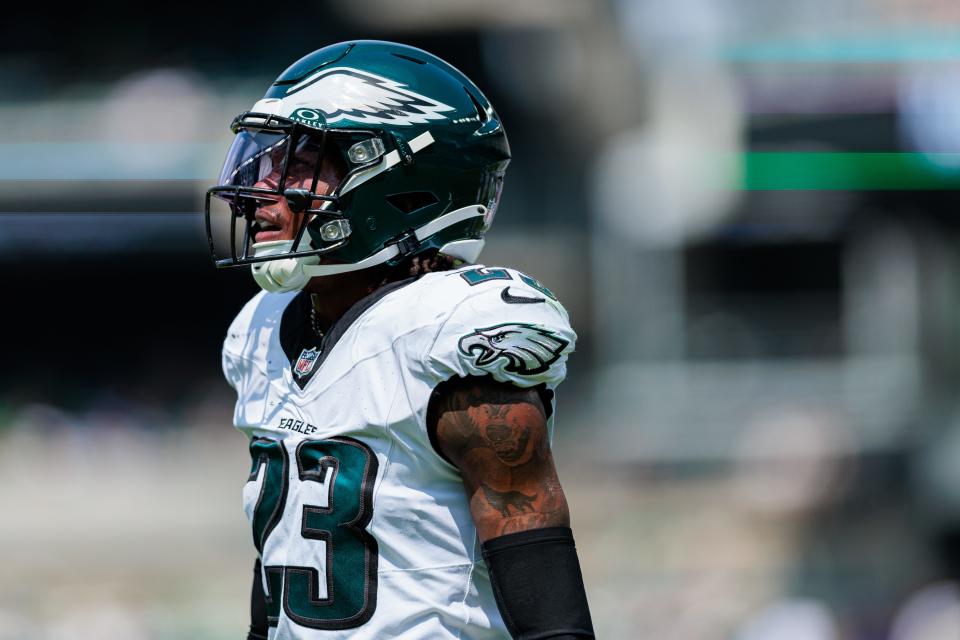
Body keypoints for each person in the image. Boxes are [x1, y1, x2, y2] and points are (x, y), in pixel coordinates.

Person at [207, 40, 595, 640]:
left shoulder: (447, 327)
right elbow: (284, 565)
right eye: (262, 158)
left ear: (400, 179)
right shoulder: (262, 326)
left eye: (300, 160)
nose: (259, 186)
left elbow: (527, 534)